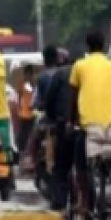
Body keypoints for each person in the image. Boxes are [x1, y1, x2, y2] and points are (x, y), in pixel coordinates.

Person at [70, 31, 111, 216]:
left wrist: (71, 121)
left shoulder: (79, 66)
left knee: (80, 163)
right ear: (104, 45)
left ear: (87, 47)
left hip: (89, 125)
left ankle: (86, 203)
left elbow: (73, 98)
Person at [44, 50, 75, 211]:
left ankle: (60, 202)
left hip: (65, 125)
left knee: (61, 167)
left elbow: (49, 100)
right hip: (89, 124)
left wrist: (50, 117)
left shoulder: (59, 75)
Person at [17, 65, 36, 159]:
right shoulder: (24, 84)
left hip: (32, 114)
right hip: (25, 114)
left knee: (30, 135)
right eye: (27, 74)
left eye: (29, 74)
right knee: (23, 135)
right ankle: (22, 152)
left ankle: (28, 153)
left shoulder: (32, 84)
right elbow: (19, 97)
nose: (28, 76)